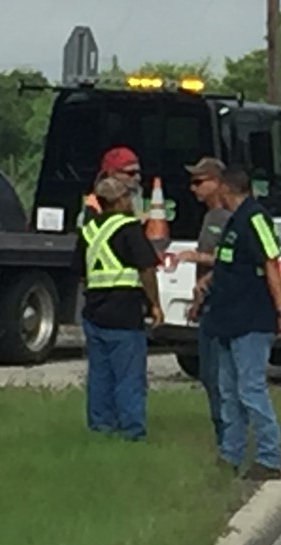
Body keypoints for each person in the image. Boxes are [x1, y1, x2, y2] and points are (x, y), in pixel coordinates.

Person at [201, 167, 281, 480]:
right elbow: (230, 263)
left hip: (251, 320)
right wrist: (207, 286)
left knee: (251, 389)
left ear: (227, 188)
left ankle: (269, 458)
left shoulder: (255, 219)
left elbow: (271, 263)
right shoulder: (234, 223)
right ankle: (231, 455)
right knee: (229, 392)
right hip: (228, 319)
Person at [72, 176, 165, 440]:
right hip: (124, 314)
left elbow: (80, 272)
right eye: (127, 196)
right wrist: (155, 304)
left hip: (95, 312)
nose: (131, 200)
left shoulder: (89, 230)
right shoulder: (129, 228)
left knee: (100, 375)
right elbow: (146, 269)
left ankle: (101, 427)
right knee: (129, 377)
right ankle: (132, 431)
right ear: (119, 201)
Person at [175, 156, 231, 448]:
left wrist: (195, 257)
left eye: (199, 181)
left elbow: (230, 259)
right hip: (207, 304)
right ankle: (222, 436)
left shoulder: (225, 217)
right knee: (208, 376)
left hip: (224, 305)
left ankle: (229, 438)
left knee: (219, 377)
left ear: (217, 183)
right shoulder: (208, 217)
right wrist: (197, 299)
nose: (193, 187)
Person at [79, 147, 147, 225]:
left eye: (139, 173)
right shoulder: (96, 202)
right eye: (131, 173)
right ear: (111, 174)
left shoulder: (137, 194)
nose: (138, 178)